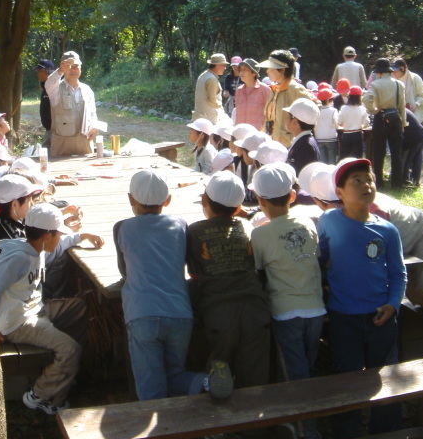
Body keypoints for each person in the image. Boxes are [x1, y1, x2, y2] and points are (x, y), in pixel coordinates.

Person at [302, 162, 423, 316]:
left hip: (421, 230)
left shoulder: (370, 210)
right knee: (415, 293)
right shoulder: (341, 209)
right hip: (398, 239)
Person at [114, 170, 234, 401]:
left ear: (130, 199)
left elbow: (124, 272)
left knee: (152, 388)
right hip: (180, 314)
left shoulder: (122, 227)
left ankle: (160, 432)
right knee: (173, 375)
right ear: (167, 200)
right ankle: (206, 381)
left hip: (142, 314)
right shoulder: (180, 224)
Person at [316, 158, 406, 438]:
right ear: (340, 193)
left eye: (370, 180)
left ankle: (386, 430)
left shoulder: (386, 230)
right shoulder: (329, 221)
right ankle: (347, 431)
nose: (366, 185)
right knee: (347, 380)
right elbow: (320, 260)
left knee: (386, 377)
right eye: (357, 180)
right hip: (343, 317)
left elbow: (398, 272)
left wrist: (392, 304)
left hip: (381, 317)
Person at [0, 203, 102, 415]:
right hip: (18, 323)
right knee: (70, 349)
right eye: (58, 234)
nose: (61, 237)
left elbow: (64, 243)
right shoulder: (18, 258)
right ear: (47, 235)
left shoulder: (37, 247)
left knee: (78, 307)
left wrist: (83, 236)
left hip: (35, 310)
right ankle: (43, 396)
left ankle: (64, 371)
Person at [250, 163, 325, 439]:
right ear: (292, 196)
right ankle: (306, 423)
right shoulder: (307, 223)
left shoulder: (259, 234)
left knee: (294, 376)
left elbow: (257, 270)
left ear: (259, 201)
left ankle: (306, 431)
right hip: (315, 309)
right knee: (308, 366)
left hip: (285, 314)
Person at [186, 171, 271, 389]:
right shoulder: (248, 227)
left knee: (219, 380)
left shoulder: (194, 231)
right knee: (254, 381)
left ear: (205, 201)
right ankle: (259, 421)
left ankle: (221, 419)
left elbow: (194, 273)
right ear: (238, 207)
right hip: (256, 312)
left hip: (219, 315)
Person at [45, 51, 100, 157]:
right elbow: (49, 83)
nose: (73, 70)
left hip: (85, 143)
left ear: (81, 68)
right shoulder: (55, 89)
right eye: (69, 67)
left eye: (76, 66)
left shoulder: (87, 89)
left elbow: (93, 113)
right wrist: (59, 71)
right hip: (62, 144)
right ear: (63, 69)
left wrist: (94, 127)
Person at [362, 58, 406, 189]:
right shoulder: (399, 84)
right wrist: (403, 123)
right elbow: (402, 106)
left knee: (379, 152)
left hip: (380, 118)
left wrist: (374, 110)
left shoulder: (376, 84)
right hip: (395, 118)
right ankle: (397, 183)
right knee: (396, 153)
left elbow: (365, 99)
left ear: (379, 72)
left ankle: (379, 182)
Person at [260, 50, 315, 147]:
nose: (267, 71)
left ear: (282, 70)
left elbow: (315, 106)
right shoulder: (275, 89)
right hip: (273, 143)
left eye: (270, 67)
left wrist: (297, 130)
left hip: (289, 146)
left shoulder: (294, 88)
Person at [0, 174, 41, 274]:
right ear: (15, 204)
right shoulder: (6, 235)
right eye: (29, 201)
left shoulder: (11, 222)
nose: (32, 204)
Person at [283, 98, 321, 176]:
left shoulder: (305, 145)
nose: (285, 119)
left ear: (295, 122)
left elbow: (302, 174)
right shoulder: (304, 141)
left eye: (287, 116)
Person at [233, 58, 271, 130]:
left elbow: (270, 115)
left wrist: (268, 133)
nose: (241, 73)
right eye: (240, 70)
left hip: (257, 136)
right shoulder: (238, 91)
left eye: (245, 70)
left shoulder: (265, 90)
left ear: (254, 73)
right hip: (240, 134)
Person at [193, 53, 228, 124]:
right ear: (217, 65)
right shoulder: (212, 79)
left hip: (200, 116)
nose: (225, 68)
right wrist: (222, 110)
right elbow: (212, 100)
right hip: (209, 118)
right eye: (223, 65)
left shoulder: (204, 75)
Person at [338, 86, 369, 159]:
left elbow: (339, 122)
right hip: (357, 134)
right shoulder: (362, 109)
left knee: (344, 157)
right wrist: (362, 125)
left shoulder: (344, 108)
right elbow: (366, 123)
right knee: (357, 157)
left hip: (346, 134)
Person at [402, 108, 423, 186]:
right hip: (420, 134)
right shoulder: (404, 110)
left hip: (414, 137)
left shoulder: (399, 111)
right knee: (417, 159)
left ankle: (405, 180)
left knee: (408, 159)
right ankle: (415, 180)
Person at [35, 59, 56, 148]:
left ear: (47, 71)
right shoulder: (45, 87)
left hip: (55, 130)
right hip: (48, 129)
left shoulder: (55, 86)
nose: (38, 74)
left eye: (40, 71)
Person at [314, 88, 339, 165]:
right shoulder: (333, 110)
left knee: (322, 162)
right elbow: (336, 124)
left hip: (319, 138)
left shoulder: (315, 110)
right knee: (332, 161)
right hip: (331, 137)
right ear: (328, 100)